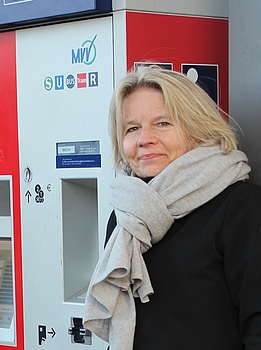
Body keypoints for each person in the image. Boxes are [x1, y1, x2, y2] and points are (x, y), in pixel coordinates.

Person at [83, 67, 261, 350]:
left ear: (197, 129)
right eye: (132, 128)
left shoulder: (240, 207)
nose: (144, 139)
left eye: (163, 123)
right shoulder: (125, 217)